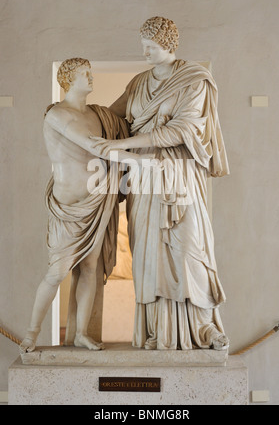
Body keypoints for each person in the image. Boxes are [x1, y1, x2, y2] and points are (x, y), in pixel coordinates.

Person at [89, 17, 230, 350]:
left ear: (168, 44)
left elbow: (182, 130)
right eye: (143, 47)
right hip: (144, 179)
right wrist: (72, 117)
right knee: (148, 256)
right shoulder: (139, 83)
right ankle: (158, 331)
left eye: (150, 47)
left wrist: (122, 146)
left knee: (189, 250)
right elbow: (113, 117)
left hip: (180, 176)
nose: (145, 53)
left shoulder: (194, 80)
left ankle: (203, 327)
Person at [20, 58, 151, 353]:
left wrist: (143, 87)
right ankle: (31, 334)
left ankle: (80, 333)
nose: (90, 78)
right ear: (68, 78)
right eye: (84, 74)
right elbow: (95, 146)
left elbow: (123, 122)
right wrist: (143, 161)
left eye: (91, 72)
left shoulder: (97, 114)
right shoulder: (57, 114)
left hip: (97, 202)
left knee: (90, 268)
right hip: (69, 208)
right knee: (56, 273)